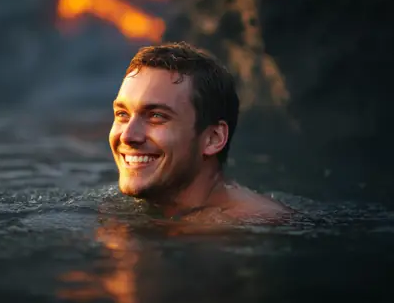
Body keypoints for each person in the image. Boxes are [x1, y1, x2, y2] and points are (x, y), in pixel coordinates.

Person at [108, 41, 292, 224]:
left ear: (213, 138)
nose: (127, 136)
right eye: (122, 114)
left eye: (156, 116)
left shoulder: (252, 228)